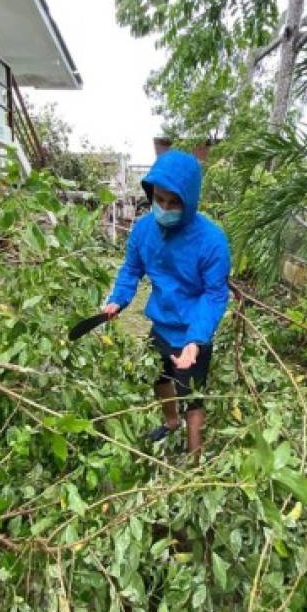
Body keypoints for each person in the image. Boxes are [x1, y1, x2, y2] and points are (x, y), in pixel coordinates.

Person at [103, 150, 231, 459]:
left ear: (189, 201)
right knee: (158, 380)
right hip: (161, 326)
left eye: (174, 203)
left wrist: (196, 340)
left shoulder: (212, 241)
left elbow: (214, 295)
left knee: (192, 398)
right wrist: (117, 300)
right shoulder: (144, 229)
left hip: (191, 334)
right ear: (151, 193)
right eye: (159, 199)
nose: (165, 208)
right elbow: (132, 269)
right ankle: (171, 423)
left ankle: (194, 458)